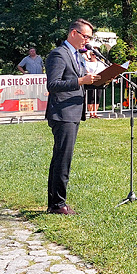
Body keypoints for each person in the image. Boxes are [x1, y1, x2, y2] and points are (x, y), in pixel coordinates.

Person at [45, 19, 100, 215]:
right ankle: (58, 205)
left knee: (61, 158)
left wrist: (101, 80)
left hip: (73, 112)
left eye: (89, 37)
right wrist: (80, 80)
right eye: (85, 36)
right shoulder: (59, 54)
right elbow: (53, 85)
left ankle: (55, 202)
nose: (87, 40)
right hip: (62, 113)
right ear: (73, 33)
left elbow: (83, 82)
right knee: (62, 159)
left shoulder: (76, 55)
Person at [82, 48, 104, 119]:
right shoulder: (87, 63)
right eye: (93, 54)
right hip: (90, 81)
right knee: (90, 97)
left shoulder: (101, 63)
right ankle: (91, 113)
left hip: (99, 81)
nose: (94, 56)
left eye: (95, 54)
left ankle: (95, 112)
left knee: (97, 96)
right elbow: (86, 71)